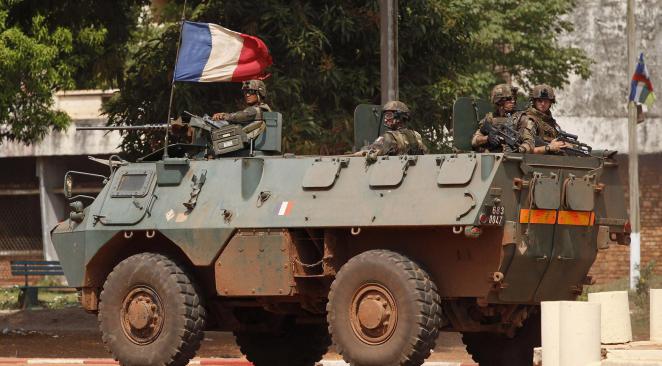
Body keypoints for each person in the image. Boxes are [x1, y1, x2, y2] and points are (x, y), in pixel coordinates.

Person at [358, 100, 427, 161]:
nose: (385, 119)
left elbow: (369, 152)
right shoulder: (416, 135)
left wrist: (363, 149)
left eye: (388, 115)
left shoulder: (389, 137)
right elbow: (424, 153)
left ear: (399, 117)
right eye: (385, 116)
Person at [472, 84, 526, 153]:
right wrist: (488, 138)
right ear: (499, 101)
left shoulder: (520, 117)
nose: (513, 101)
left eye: (514, 98)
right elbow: (474, 141)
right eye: (509, 99)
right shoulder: (490, 118)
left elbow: (528, 142)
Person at [517, 84, 569, 154]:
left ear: (550, 103)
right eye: (539, 101)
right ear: (534, 101)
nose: (543, 104)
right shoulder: (529, 120)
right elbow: (525, 150)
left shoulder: (551, 122)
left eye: (546, 101)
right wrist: (549, 147)